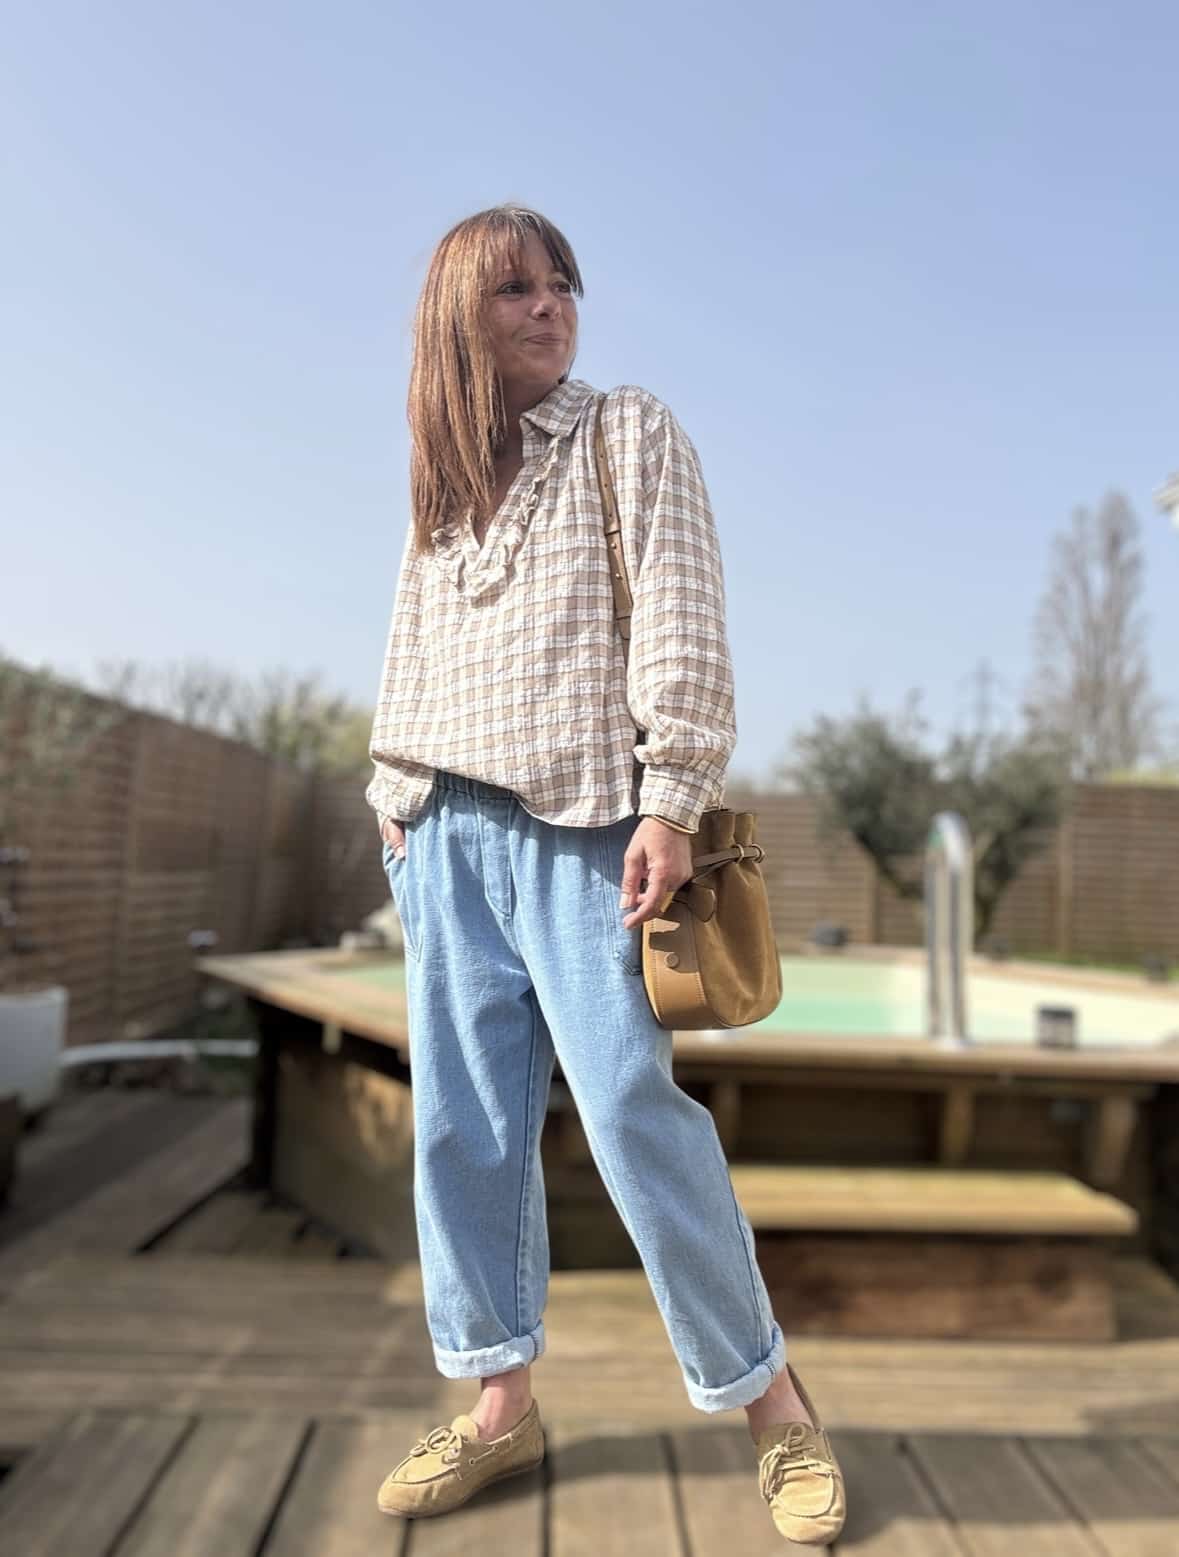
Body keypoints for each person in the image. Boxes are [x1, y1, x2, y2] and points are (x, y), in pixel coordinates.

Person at [366, 204, 845, 1545]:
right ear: (457, 316)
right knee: (461, 1126)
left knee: (634, 1109)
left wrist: (673, 796)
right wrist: (390, 795)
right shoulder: (441, 479)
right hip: (438, 829)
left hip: (584, 824)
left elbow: (684, 614)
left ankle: (775, 1404)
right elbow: (408, 646)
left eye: (562, 282)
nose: (551, 304)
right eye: (516, 286)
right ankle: (498, 1406)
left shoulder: (625, 429)